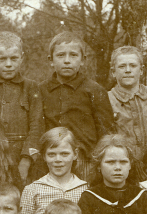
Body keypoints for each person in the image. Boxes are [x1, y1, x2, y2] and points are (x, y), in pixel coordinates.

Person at [40, 32, 115, 181]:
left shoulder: (95, 90)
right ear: (51, 60)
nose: (67, 61)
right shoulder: (41, 90)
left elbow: (106, 131)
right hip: (53, 159)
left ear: (82, 60)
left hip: (85, 159)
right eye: (60, 55)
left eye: (73, 55)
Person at [0, 32, 44, 185]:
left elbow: (37, 126)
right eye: (2, 59)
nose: (9, 64)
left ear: (22, 57)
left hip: (24, 158)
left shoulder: (32, 87)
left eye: (14, 58)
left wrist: (26, 159)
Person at [19, 127, 89, 214]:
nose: (58, 160)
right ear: (44, 156)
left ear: (75, 154)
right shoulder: (32, 189)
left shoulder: (85, 189)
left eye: (64, 154)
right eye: (51, 154)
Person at [107, 45, 147, 164]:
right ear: (113, 72)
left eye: (133, 65)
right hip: (123, 164)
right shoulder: (107, 99)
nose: (128, 70)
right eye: (122, 66)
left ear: (141, 70)